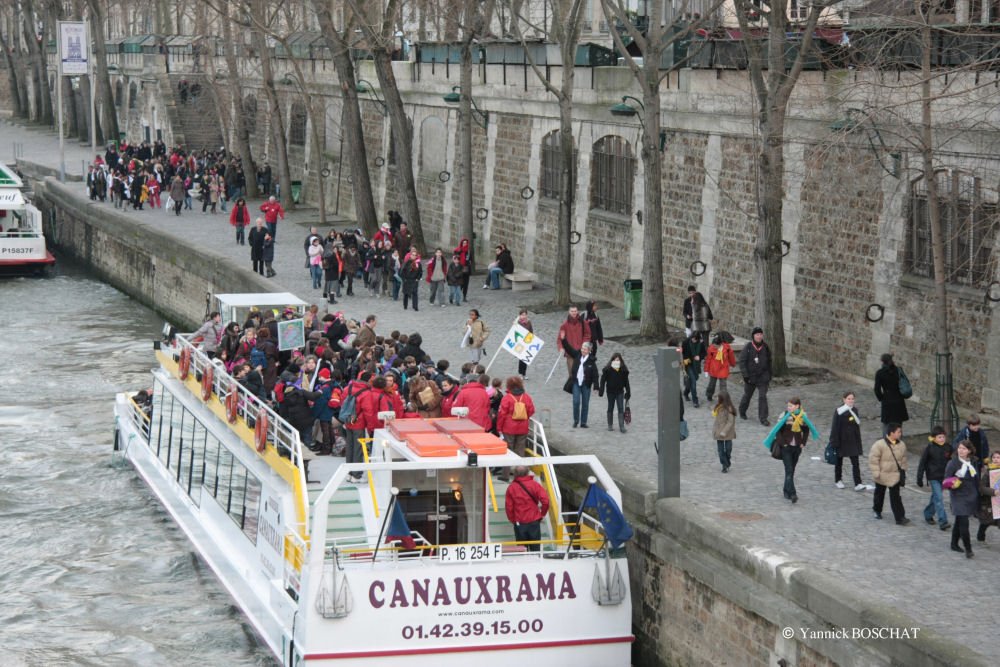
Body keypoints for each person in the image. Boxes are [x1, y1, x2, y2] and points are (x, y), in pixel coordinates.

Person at [763, 397, 820, 503]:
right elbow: (777, 431)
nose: (789, 407)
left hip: (797, 447)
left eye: (791, 406)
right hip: (786, 448)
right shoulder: (784, 416)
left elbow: (806, 430)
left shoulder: (803, 417)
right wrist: (783, 444)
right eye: (788, 405)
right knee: (789, 470)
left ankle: (786, 491)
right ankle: (793, 493)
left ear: (797, 406)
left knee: (791, 470)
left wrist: (803, 442)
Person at [868, 423, 910, 525]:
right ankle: (877, 510)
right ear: (891, 433)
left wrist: (903, 470)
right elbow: (873, 460)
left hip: (895, 475)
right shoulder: (879, 445)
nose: (900, 434)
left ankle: (900, 517)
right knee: (879, 494)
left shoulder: (901, 445)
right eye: (898, 432)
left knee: (896, 497)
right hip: (882, 474)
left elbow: (903, 458)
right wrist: (876, 473)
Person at [944, 440, 979, 558]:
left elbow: (976, 479)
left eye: (964, 448)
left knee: (959, 520)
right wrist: (953, 483)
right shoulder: (952, 463)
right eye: (959, 448)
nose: (961, 450)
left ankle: (954, 543)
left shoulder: (973, 462)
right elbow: (946, 481)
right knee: (964, 522)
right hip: (958, 496)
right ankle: (968, 549)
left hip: (970, 495)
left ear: (969, 451)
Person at [496, 376, 535, 479]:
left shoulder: (507, 398)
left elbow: (502, 414)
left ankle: (505, 475)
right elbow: (531, 410)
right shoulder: (526, 397)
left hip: (509, 428)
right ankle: (521, 474)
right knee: (520, 450)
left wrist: (499, 428)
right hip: (523, 427)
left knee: (508, 451)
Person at [504, 466, 549, 552]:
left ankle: (523, 564)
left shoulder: (511, 487)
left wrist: (513, 520)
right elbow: (546, 502)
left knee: (521, 550)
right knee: (536, 549)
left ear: (515, 474)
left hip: (519, 522)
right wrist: (542, 514)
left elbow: (509, 507)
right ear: (527, 472)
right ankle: (536, 564)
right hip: (534, 521)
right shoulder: (535, 485)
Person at [917, 425, 953, 530]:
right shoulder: (929, 448)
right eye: (939, 437)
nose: (942, 439)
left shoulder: (948, 447)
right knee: (939, 498)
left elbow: (950, 461)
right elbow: (922, 463)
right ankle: (943, 521)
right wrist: (919, 478)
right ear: (934, 438)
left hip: (943, 477)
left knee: (936, 497)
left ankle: (928, 514)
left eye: (943, 437)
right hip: (933, 477)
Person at [829, 391, 866, 491]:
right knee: (839, 461)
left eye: (852, 399)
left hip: (852, 440)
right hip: (842, 440)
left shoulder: (855, 410)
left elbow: (856, 427)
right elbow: (835, 427)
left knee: (855, 462)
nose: (851, 400)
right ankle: (838, 480)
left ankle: (858, 483)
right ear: (844, 399)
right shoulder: (839, 411)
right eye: (849, 399)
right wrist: (834, 441)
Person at [738, 327, 772, 426]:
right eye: (757, 334)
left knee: (762, 396)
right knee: (747, 395)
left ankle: (763, 418)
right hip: (751, 377)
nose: (759, 336)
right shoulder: (748, 347)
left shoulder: (765, 347)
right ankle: (742, 411)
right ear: (753, 336)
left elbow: (769, 361)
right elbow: (742, 362)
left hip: (763, 377)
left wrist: (769, 375)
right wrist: (745, 376)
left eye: (760, 334)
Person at [567, 341, 598, 429]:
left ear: (589, 351)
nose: (583, 350)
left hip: (586, 384)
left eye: (585, 349)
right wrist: (564, 339)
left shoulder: (591, 361)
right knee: (576, 402)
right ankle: (576, 420)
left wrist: (596, 386)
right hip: (576, 382)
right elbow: (569, 349)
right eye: (582, 348)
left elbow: (595, 375)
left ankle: (583, 422)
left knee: (585, 404)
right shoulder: (577, 355)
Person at [874, 353, 908, 432]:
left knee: (887, 424)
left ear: (882, 361)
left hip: (887, 400)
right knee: (898, 424)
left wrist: (882, 398)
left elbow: (877, 389)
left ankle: (887, 442)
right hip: (899, 399)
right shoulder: (898, 370)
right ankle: (898, 442)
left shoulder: (880, 373)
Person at [598, 352, 630, 433]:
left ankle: (621, 426)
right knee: (610, 407)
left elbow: (626, 382)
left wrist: (628, 392)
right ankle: (610, 425)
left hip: (620, 392)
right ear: (612, 360)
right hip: (610, 392)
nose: (617, 361)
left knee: (620, 408)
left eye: (618, 360)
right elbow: (603, 380)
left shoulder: (623, 370)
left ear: (620, 360)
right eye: (615, 360)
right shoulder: (608, 369)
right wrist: (601, 390)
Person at [556, 305, 591, 377]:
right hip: (570, 353)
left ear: (577, 311)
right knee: (572, 374)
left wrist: (584, 343)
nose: (574, 313)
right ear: (569, 312)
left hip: (581, 352)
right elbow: (560, 339)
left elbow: (587, 334)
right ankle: (573, 388)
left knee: (583, 373)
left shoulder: (583, 322)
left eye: (575, 311)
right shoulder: (564, 325)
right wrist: (561, 348)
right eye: (572, 311)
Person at [976, 450, 1000, 543]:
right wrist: (993, 492)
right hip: (989, 501)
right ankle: (981, 534)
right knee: (986, 521)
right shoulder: (988, 472)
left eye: (998, 457)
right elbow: (981, 488)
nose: (996, 459)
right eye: (994, 457)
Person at [704, 333, 736, 403]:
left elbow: (731, 357)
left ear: (720, 344)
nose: (714, 346)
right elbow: (708, 360)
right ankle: (709, 395)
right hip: (714, 369)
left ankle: (723, 399)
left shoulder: (727, 348)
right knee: (712, 384)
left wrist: (733, 364)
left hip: (723, 368)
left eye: (716, 345)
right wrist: (706, 370)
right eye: (714, 345)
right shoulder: (711, 349)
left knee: (723, 386)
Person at [712, 391, 737, 473]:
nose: (717, 399)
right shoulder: (718, 407)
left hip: (727, 433)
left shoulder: (729, 409)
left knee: (728, 449)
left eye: (719, 398)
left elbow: (730, 422)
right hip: (718, 432)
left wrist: (724, 431)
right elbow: (715, 418)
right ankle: (724, 465)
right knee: (720, 451)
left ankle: (727, 461)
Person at [682, 332, 707, 408]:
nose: (693, 340)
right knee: (693, 381)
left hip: (696, 365)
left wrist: (700, 357)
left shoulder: (701, 343)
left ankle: (686, 392)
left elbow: (704, 353)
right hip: (688, 364)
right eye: (692, 338)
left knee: (694, 379)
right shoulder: (686, 342)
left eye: (695, 339)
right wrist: (686, 359)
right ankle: (695, 401)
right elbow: (682, 353)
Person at [514, 309, 533, 379]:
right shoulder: (517, 323)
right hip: (520, 343)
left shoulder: (529, 322)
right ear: (519, 315)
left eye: (525, 315)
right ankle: (520, 373)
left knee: (525, 359)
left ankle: (524, 373)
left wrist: (531, 340)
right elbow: (514, 332)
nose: (524, 316)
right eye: (522, 315)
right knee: (521, 359)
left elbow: (531, 331)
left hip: (526, 342)